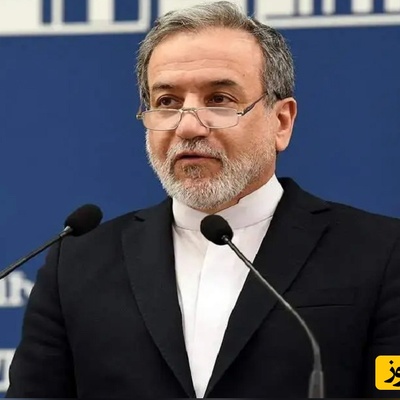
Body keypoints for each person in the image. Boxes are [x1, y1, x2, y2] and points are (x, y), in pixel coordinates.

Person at [6, 1, 400, 398]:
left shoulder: (381, 253)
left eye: (219, 99)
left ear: (281, 122)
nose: (188, 126)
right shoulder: (77, 264)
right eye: (167, 102)